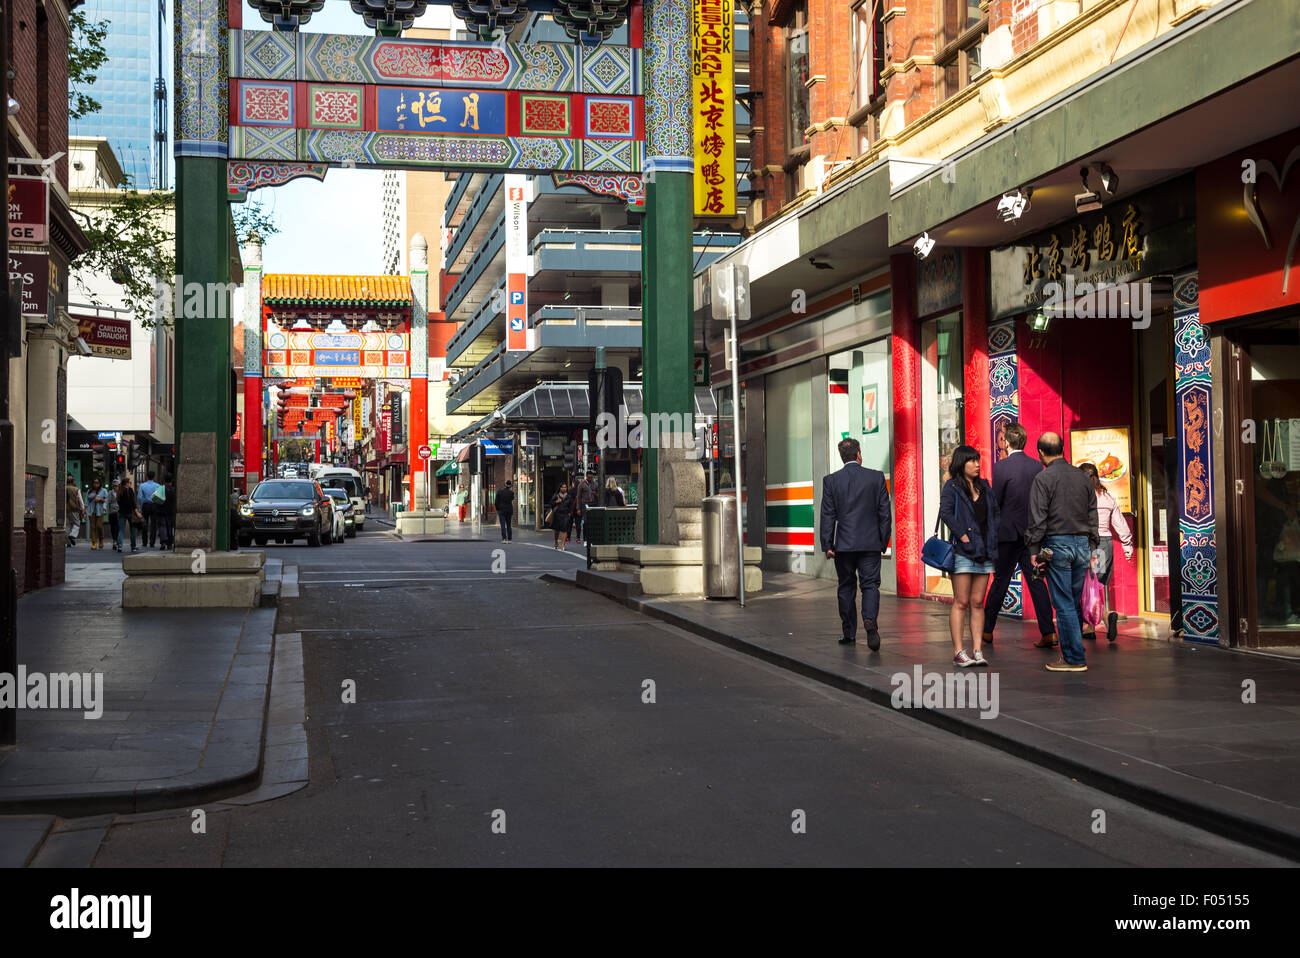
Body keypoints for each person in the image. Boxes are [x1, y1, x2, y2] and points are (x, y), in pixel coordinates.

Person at [1026, 432, 1099, 673]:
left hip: (1057, 543)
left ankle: (1074, 657)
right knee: (1073, 601)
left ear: (1040, 453)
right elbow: (1092, 514)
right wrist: (1092, 544)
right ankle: (1073, 650)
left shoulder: (1043, 478)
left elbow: (1038, 519)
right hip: (1081, 544)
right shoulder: (1083, 478)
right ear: (1062, 448)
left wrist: (1034, 549)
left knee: (1063, 602)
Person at [983, 423, 1058, 649]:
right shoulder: (1037, 466)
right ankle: (1048, 631)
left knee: (1000, 582)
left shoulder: (1001, 467)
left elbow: (996, 501)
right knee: (1037, 582)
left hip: (1007, 533)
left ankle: (986, 630)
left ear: (1006, 442)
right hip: (1032, 534)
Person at [819, 437, 893, 650]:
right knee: (870, 585)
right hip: (870, 544)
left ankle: (848, 632)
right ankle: (869, 620)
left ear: (842, 457)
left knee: (846, 587)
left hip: (843, 545)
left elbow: (827, 515)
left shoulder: (831, 481)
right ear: (859, 455)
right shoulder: (876, 477)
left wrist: (828, 544)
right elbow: (884, 514)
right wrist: (882, 541)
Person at [939, 445, 1000, 667]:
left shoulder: (985, 487)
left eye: (978, 460)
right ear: (961, 463)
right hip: (963, 552)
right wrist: (962, 535)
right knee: (961, 601)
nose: (977, 464)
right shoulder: (952, 486)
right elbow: (945, 512)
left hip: (984, 551)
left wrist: (994, 541)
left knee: (977, 602)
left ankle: (977, 650)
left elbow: (995, 515)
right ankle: (958, 651)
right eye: (972, 461)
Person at [1079, 461, 1134, 641]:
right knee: (1096, 586)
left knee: (1088, 587)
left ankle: (1104, 618)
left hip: (1090, 543)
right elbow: (1120, 523)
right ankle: (1089, 628)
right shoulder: (1107, 497)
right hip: (1106, 544)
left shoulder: (1082, 497)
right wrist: (1127, 546)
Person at [118, 475, 141, 552]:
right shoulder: (130, 490)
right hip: (130, 513)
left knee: (121, 530)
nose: (130, 484)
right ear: (127, 483)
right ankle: (133, 547)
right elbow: (133, 503)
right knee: (133, 530)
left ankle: (120, 546)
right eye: (129, 483)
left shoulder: (120, 491)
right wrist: (137, 512)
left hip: (121, 512)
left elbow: (118, 502)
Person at [549, 482, 575, 550]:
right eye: (562, 487)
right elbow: (551, 504)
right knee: (557, 530)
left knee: (564, 530)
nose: (564, 488)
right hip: (557, 514)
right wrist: (556, 502)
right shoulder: (556, 495)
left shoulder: (569, 496)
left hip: (565, 514)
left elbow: (572, 505)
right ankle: (556, 542)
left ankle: (563, 545)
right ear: (560, 488)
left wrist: (570, 513)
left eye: (565, 487)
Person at [85, 477, 109, 551]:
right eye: (94, 483)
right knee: (92, 527)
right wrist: (84, 511)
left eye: (97, 483)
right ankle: (94, 543)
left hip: (100, 511)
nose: (96, 484)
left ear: (100, 483)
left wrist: (101, 500)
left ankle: (101, 539)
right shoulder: (89, 491)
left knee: (99, 526)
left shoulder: (104, 490)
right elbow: (86, 501)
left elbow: (106, 500)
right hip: (91, 511)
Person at [574, 471, 598, 544]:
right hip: (585, 505)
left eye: (591, 477)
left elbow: (600, 495)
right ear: (587, 476)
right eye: (589, 477)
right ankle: (585, 539)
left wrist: (595, 494)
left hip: (594, 504)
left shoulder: (596, 484)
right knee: (585, 522)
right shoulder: (582, 484)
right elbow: (578, 497)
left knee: (593, 522)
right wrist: (578, 508)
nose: (590, 478)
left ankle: (592, 538)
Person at [139, 471, 161, 547]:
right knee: (153, 525)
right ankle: (152, 542)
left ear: (147, 477)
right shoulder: (158, 486)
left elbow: (140, 497)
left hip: (145, 505)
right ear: (154, 477)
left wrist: (140, 506)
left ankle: (144, 542)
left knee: (144, 524)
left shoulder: (142, 485)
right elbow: (160, 498)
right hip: (154, 505)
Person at [65, 474, 85, 548]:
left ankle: (67, 542)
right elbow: (80, 500)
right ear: (72, 481)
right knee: (77, 523)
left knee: (67, 525)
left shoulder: (64, 488)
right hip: (74, 509)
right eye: (74, 480)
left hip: (65, 509)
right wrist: (83, 509)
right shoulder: (76, 489)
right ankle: (72, 535)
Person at [162, 474, 178, 549]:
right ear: (171, 481)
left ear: (164, 481)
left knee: (162, 526)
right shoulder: (174, 490)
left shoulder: (161, 489)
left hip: (161, 510)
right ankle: (169, 543)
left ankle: (163, 542)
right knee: (170, 527)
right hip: (170, 510)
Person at [108, 477, 123, 552]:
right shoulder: (110, 492)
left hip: (119, 511)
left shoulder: (121, 492)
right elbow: (107, 501)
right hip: (111, 512)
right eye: (114, 486)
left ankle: (116, 541)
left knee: (117, 527)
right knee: (112, 527)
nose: (115, 487)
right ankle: (114, 540)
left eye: (116, 486)